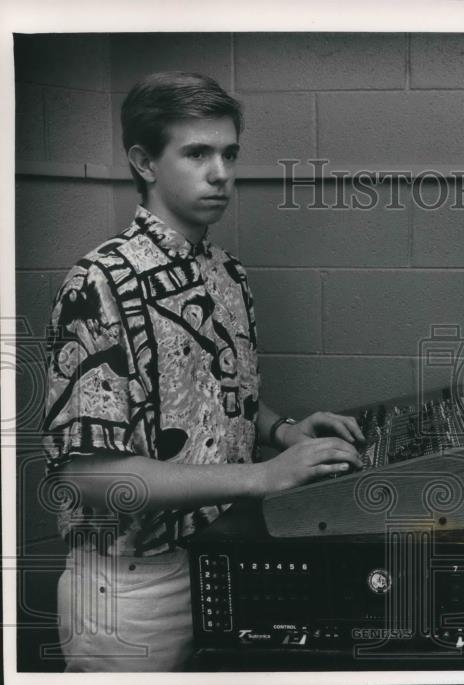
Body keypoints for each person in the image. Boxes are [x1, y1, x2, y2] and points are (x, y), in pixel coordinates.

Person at [41, 71, 363, 672]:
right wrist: (263, 478)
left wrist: (284, 431)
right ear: (144, 162)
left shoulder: (227, 273)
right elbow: (86, 474)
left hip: (222, 563)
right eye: (196, 153)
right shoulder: (98, 284)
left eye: (229, 153)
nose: (221, 172)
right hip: (130, 589)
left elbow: (213, 396)